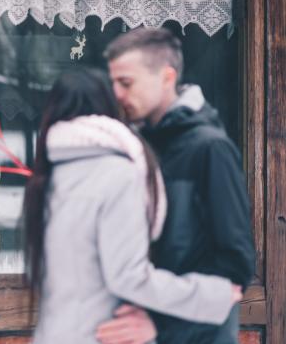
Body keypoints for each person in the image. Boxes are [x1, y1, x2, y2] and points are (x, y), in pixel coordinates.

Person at [24, 68, 243, 344]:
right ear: (108, 107)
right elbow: (128, 276)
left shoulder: (45, 179)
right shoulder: (118, 173)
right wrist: (211, 295)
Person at [97, 27, 256, 344]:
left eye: (126, 83)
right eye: (113, 83)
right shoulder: (138, 146)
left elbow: (236, 267)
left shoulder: (210, 149)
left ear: (166, 78)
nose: (116, 94)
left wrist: (160, 324)